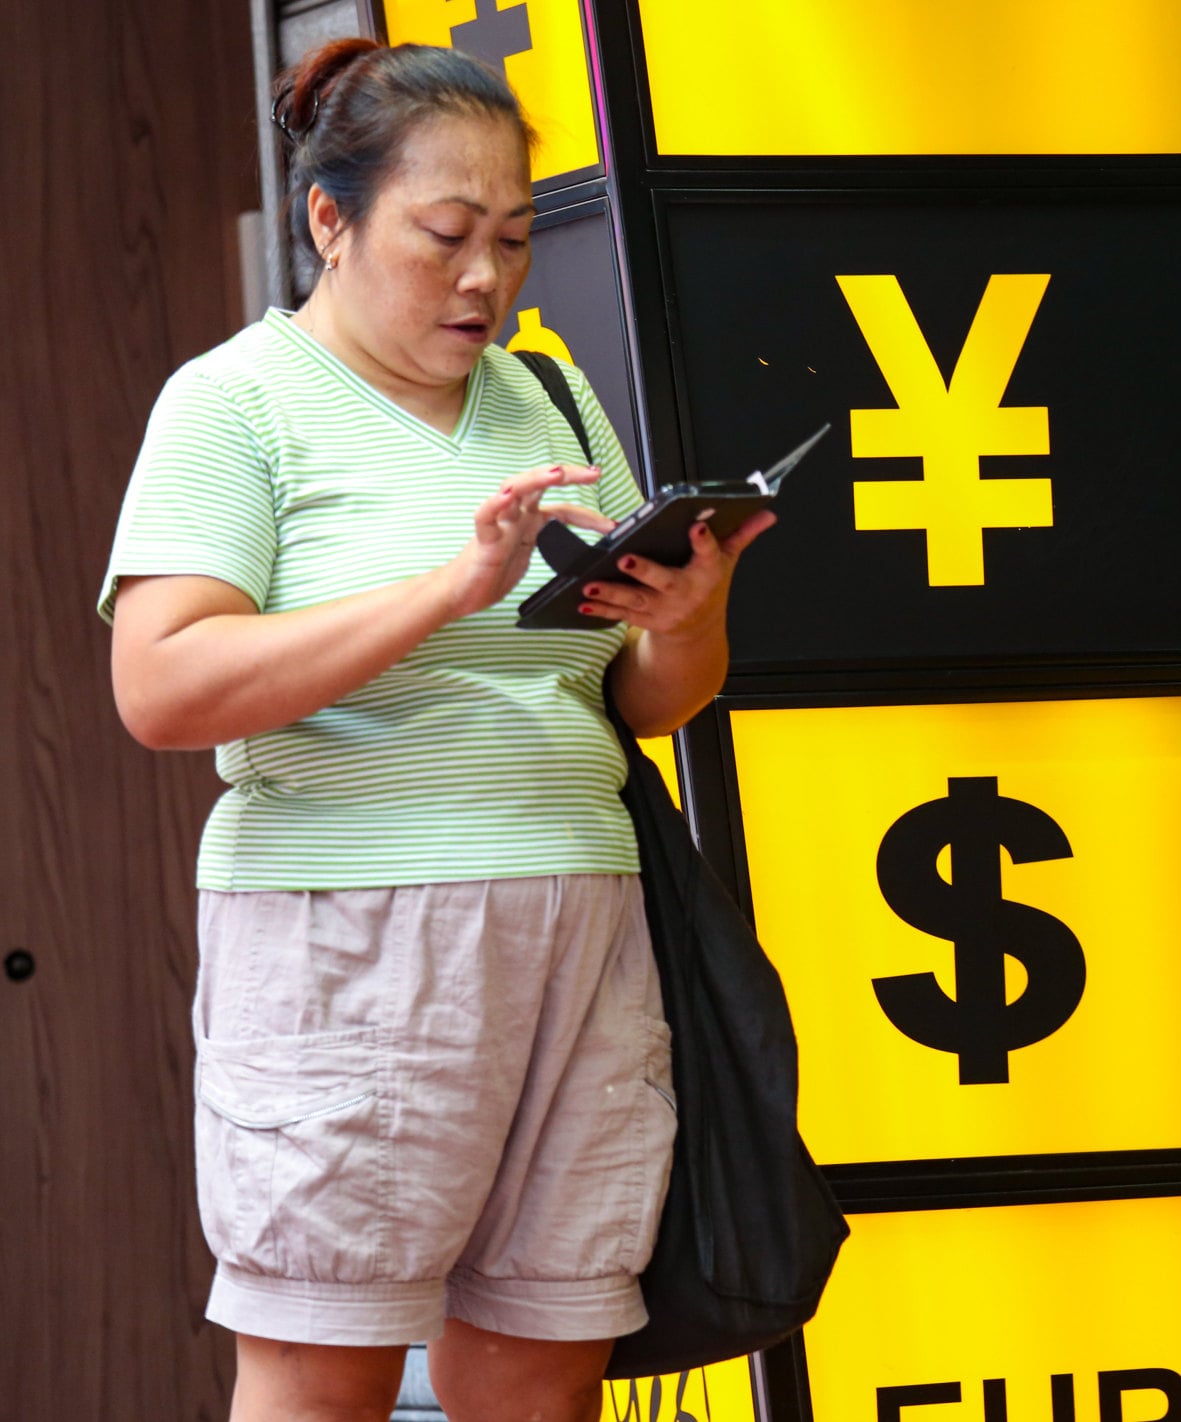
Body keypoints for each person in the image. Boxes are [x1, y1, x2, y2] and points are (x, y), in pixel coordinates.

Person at [98, 38, 770, 1422]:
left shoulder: (551, 397)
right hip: (351, 934)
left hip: (582, 929)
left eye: (514, 238)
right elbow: (159, 684)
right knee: (321, 1368)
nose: (488, 277)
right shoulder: (237, 404)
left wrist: (689, 615)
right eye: (447, 235)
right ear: (329, 221)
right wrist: (448, 589)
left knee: (547, 1359)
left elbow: (636, 695)